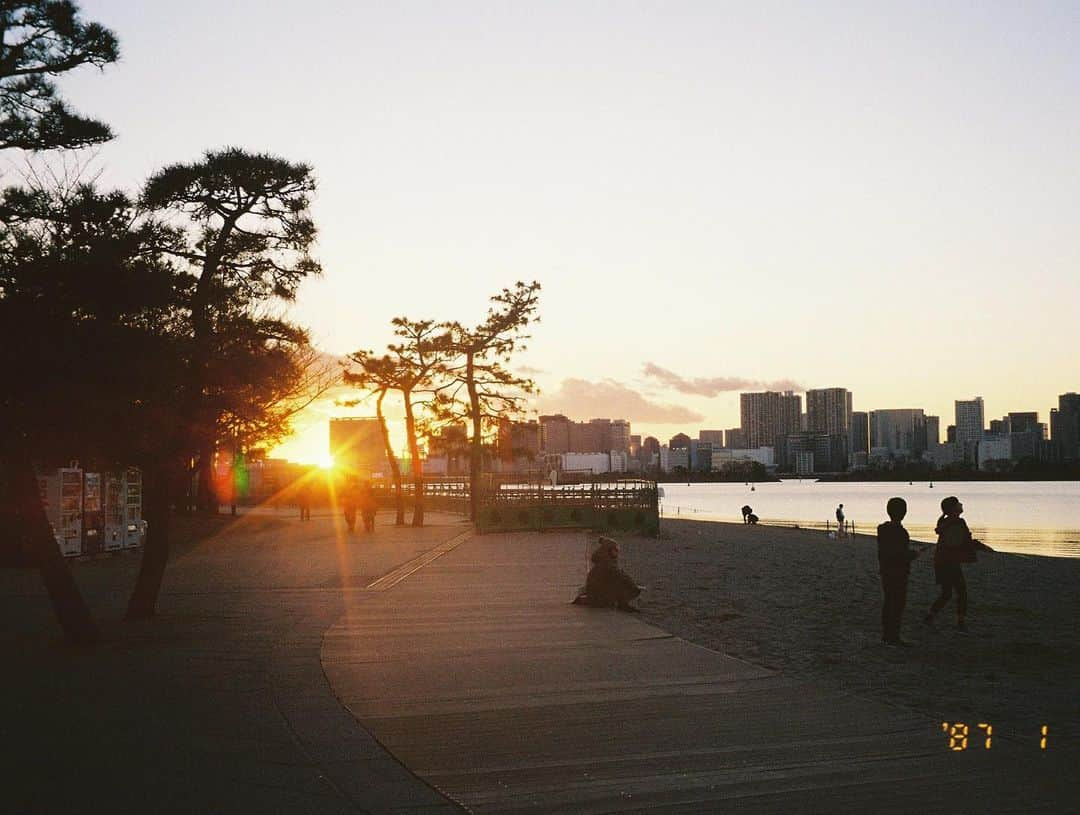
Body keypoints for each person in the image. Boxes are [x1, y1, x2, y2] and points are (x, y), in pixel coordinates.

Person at [925, 496, 993, 632]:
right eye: (958, 504)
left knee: (947, 593)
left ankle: (930, 616)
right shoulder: (958, 522)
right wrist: (984, 548)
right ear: (953, 508)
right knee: (961, 592)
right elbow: (965, 541)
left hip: (941, 561)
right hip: (950, 562)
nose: (961, 504)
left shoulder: (945, 522)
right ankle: (960, 622)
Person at [876, 497, 922, 646]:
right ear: (904, 512)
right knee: (898, 604)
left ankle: (886, 634)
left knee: (889, 602)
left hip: (885, 571)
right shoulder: (900, 532)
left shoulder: (883, 529)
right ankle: (893, 636)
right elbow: (900, 555)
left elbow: (888, 552)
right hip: (898, 572)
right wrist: (914, 554)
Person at [574, 537, 642, 612]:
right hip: (600, 599)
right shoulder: (608, 564)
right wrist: (635, 588)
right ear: (609, 550)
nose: (617, 552)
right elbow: (623, 577)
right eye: (615, 550)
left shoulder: (602, 561)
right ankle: (623, 605)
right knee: (622, 583)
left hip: (594, 595)